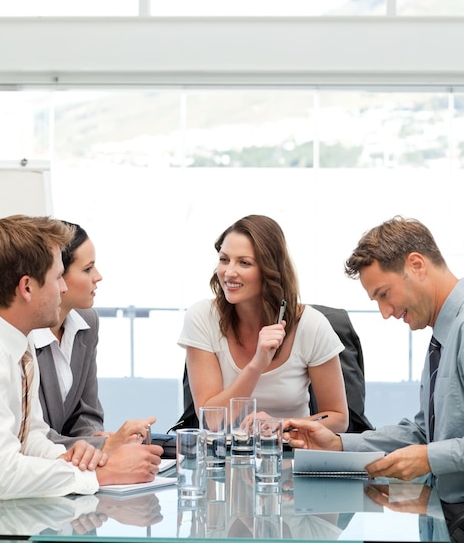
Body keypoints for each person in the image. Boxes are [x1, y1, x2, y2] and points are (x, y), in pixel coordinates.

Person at [0, 215, 162, 525]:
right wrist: (103, 473)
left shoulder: (19, 341)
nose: (64, 287)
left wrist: (76, 458)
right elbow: (1, 476)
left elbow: (31, 438)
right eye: (58, 277)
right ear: (27, 287)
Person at [285, 215, 464, 505]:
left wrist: (430, 458)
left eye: (384, 294)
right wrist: (340, 444)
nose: (385, 312)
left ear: (416, 265)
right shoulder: (442, 337)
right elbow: (422, 434)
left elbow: (428, 449)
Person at [177, 214, 348, 432]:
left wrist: (283, 424)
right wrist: (257, 364)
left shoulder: (311, 325)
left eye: (244, 263)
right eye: (224, 259)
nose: (229, 272)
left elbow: (338, 418)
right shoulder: (202, 317)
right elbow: (213, 422)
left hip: (289, 453)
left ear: (270, 270)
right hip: (224, 456)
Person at [29, 222, 155, 453]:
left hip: (70, 464)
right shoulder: (25, 333)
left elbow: (87, 412)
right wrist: (103, 445)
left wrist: (95, 437)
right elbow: (31, 437)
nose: (98, 277)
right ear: (57, 276)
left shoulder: (87, 321)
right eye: (87, 269)